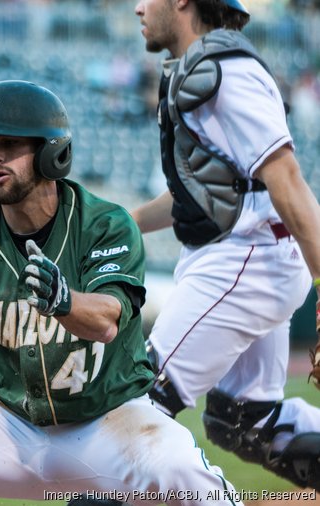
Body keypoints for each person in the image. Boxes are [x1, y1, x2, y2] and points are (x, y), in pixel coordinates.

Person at [0, 80, 243, 506]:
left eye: (9, 143)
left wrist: (64, 300)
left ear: (50, 152)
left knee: (181, 470)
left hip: (108, 426)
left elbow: (108, 321)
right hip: (13, 433)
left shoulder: (105, 224)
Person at [125, 0, 320, 494]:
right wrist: (121, 223)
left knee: (133, 411)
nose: (137, 7)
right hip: (238, 252)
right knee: (243, 420)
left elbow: (287, 178)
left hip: (247, 257)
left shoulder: (226, 71)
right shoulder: (200, 69)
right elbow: (204, 192)